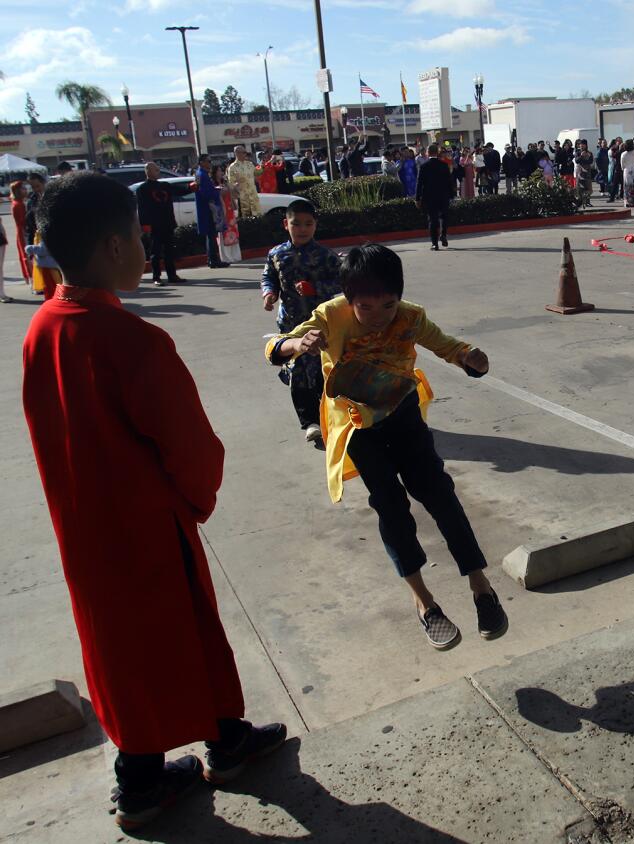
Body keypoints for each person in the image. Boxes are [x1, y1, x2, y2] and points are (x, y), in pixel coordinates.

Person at [22, 173, 285, 832]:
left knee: (122, 652)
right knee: (189, 636)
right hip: (148, 527)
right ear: (114, 246)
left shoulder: (44, 326)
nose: (146, 246)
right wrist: (192, 504)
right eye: (139, 236)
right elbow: (194, 451)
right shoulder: (134, 342)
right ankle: (167, 772)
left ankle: (178, 759)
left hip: (85, 529)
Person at [264, 244, 509, 649]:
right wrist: (297, 345)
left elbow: (446, 345)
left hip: (403, 413)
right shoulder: (330, 316)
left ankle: (481, 588)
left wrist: (471, 358)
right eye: (366, 307)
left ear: (399, 294)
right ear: (349, 298)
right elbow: (275, 345)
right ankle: (424, 603)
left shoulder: (411, 316)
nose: (378, 316)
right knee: (391, 506)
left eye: (388, 305)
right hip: (359, 425)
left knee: (440, 495)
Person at [261, 198, 343, 444]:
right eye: (297, 224)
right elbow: (269, 277)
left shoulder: (326, 256)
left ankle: (330, 415)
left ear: (315, 225)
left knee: (323, 371)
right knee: (297, 372)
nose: (303, 229)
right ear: (286, 224)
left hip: (322, 324)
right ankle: (310, 422)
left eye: (308, 224)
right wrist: (269, 293)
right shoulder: (276, 254)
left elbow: (343, 282)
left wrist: (315, 288)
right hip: (291, 325)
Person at [135, 162, 185, 287]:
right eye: (156, 170)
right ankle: (156, 277)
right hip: (154, 225)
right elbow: (142, 209)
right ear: (148, 171)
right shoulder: (142, 189)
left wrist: (192, 187)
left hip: (167, 223)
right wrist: (145, 224)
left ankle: (172, 275)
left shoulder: (165, 185)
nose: (158, 172)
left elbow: (179, 191)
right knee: (155, 252)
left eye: (158, 169)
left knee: (169, 250)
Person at [193, 155, 228, 270]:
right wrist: (217, 191)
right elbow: (206, 193)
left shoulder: (201, 174)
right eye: (208, 161)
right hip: (207, 208)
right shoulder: (201, 175)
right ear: (202, 162)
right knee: (211, 234)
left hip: (207, 207)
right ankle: (213, 260)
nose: (210, 163)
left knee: (211, 235)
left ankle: (213, 259)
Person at [416, 144, 453, 251]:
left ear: (428, 153)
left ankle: (434, 243)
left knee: (432, 219)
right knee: (444, 216)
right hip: (443, 196)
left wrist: (418, 198)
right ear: (437, 153)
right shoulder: (444, 165)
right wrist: (451, 195)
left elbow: (419, 183)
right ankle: (443, 234)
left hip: (429, 197)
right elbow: (449, 182)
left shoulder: (424, 166)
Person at [213, 165, 242, 264]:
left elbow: (233, 192)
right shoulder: (213, 184)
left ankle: (235, 255)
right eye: (219, 171)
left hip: (229, 210)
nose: (221, 173)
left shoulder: (224, 182)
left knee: (233, 232)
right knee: (224, 233)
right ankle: (226, 257)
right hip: (222, 211)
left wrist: (234, 185)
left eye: (221, 171)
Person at [226, 146, 261, 218]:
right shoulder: (232, 167)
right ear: (237, 153)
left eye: (245, 153)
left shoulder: (249, 164)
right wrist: (236, 186)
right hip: (242, 197)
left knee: (256, 216)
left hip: (253, 195)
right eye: (243, 152)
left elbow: (257, 173)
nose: (245, 154)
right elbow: (231, 183)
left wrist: (262, 166)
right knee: (245, 218)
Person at [10, 181, 32, 285]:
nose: (25, 189)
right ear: (18, 190)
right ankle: (31, 278)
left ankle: (30, 277)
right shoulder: (18, 204)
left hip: (21, 231)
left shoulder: (18, 203)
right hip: (23, 232)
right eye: (23, 188)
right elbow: (22, 221)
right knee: (26, 255)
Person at [574, 139, 595, 207]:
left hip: (587, 173)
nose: (581, 146)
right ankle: (580, 202)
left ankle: (587, 201)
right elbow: (577, 161)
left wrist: (585, 159)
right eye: (580, 144)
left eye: (583, 144)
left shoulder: (589, 153)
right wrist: (582, 156)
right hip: (580, 173)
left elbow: (590, 161)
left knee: (589, 189)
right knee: (580, 188)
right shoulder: (577, 152)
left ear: (586, 145)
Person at [620, 139, 634, 208]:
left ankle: (627, 202)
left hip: (627, 170)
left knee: (627, 187)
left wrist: (623, 169)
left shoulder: (623, 154)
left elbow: (622, 165)